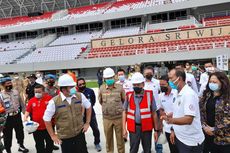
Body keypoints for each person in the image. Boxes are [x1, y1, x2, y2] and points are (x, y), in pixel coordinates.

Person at [43, 74, 92, 153]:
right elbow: (46, 119)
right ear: (63, 89)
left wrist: (87, 123)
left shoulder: (80, 96)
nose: (74, 88)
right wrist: (52, 135)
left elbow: (89, 107)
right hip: (65, 138)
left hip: (80, 134)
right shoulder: (54, 102)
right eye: (71, 87)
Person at [162, 69, 204, 153]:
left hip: (190, 142)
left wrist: (171, 121)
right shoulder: (178, 93)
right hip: (181, 138)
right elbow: (180, 112)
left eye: (171, 78)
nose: (169, 81)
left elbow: (189, 119)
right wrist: (173, 119)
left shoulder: (188, 94)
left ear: (179, 79)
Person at [122, 72, 159, 153]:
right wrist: (124, 128)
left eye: (138, 85)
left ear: (143, 84)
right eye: (134, 85)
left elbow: (154, 113)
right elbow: (124, 112)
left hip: (146, 129)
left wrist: (156, 130)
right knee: (133, 150)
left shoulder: (149, 95)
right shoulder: (128, 95)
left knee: (147, 150)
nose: (136, 87)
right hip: (133, 128)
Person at [200, 72, 230, 153]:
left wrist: (214, 129)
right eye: (210, 82)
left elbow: (228, 119)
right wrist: (205, 126)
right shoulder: (207, 95)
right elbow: (201, 112)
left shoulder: (227, 97)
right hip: (207, 135)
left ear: (222, 82)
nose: (212, 84)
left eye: (215, 82)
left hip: (224, 138)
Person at [98, 67, 125, 153]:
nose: (109, 79)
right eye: (107, 78)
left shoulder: (120, 88)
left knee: (120, 141)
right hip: (107, 119)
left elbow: (123, 100)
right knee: (108, 141)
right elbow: (100, 101)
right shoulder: (101, 89)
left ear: (114, 77)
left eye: (111, 77)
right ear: (104, 79)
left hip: (118, 118)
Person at [0, 76, 29, 153]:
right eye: (7, 83)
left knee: (20, 132)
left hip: (17, 116)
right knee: (7, 136)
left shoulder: (16, 92)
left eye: (10, 83)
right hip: (7, 118)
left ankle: (21, 146)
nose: (10, 84)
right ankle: (8, 150)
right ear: (3, 85)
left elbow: (22, 103)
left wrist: (25, 113)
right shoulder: (1, 95)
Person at [24, 84, 53, 153]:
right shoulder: (31, 100)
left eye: (39, 92)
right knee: (39, 144)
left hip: (48, 127)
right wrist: (25, 117)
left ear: (43, 92)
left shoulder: (49, 99)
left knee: (49, 142)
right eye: (35, 92)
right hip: (36, 128)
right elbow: (28, 110)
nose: (37, 94)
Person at [77, 78, 102, 152]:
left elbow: (93, 102)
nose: (82, 85)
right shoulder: (76, 93)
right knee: (81, 131)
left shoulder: (90, 91)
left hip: (91, 114)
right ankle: (83, 144)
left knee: (95, 129)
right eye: (80, 84)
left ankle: (97, 143)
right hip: (80, 115)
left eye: (83, 83)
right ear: (77, 85)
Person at [143, 66, 162, 153]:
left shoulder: (157, 83)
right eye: (146, 73)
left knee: (158, 130)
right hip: (145, 111)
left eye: (150, 73)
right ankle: (147, 149)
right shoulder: (141, 83)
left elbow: (160, 94)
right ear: (144, 74)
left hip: (156, 110)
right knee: (146, 132)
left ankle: (158, 149)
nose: (148, 75)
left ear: (153, 73)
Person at [158, 75, 179, 153]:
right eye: (160, 85)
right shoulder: (160, 96)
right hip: (167, 127)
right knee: (172, 149)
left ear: (169, 84)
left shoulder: (176, 93)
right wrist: (163, 114)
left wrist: (173, 113)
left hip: (178, 125)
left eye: (163, 85)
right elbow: (160, 109)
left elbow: (181, 109)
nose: (161, 87)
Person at [44, 74, 60, 151]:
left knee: (54, 127)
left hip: (56, 111)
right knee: (48, 128)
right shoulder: (43, 89)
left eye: (52, 79)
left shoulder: (57, 89)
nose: (50, 81)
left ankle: (52, 143)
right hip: (47, 111)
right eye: (49, 80)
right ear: (46, 81)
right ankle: (48, 144)